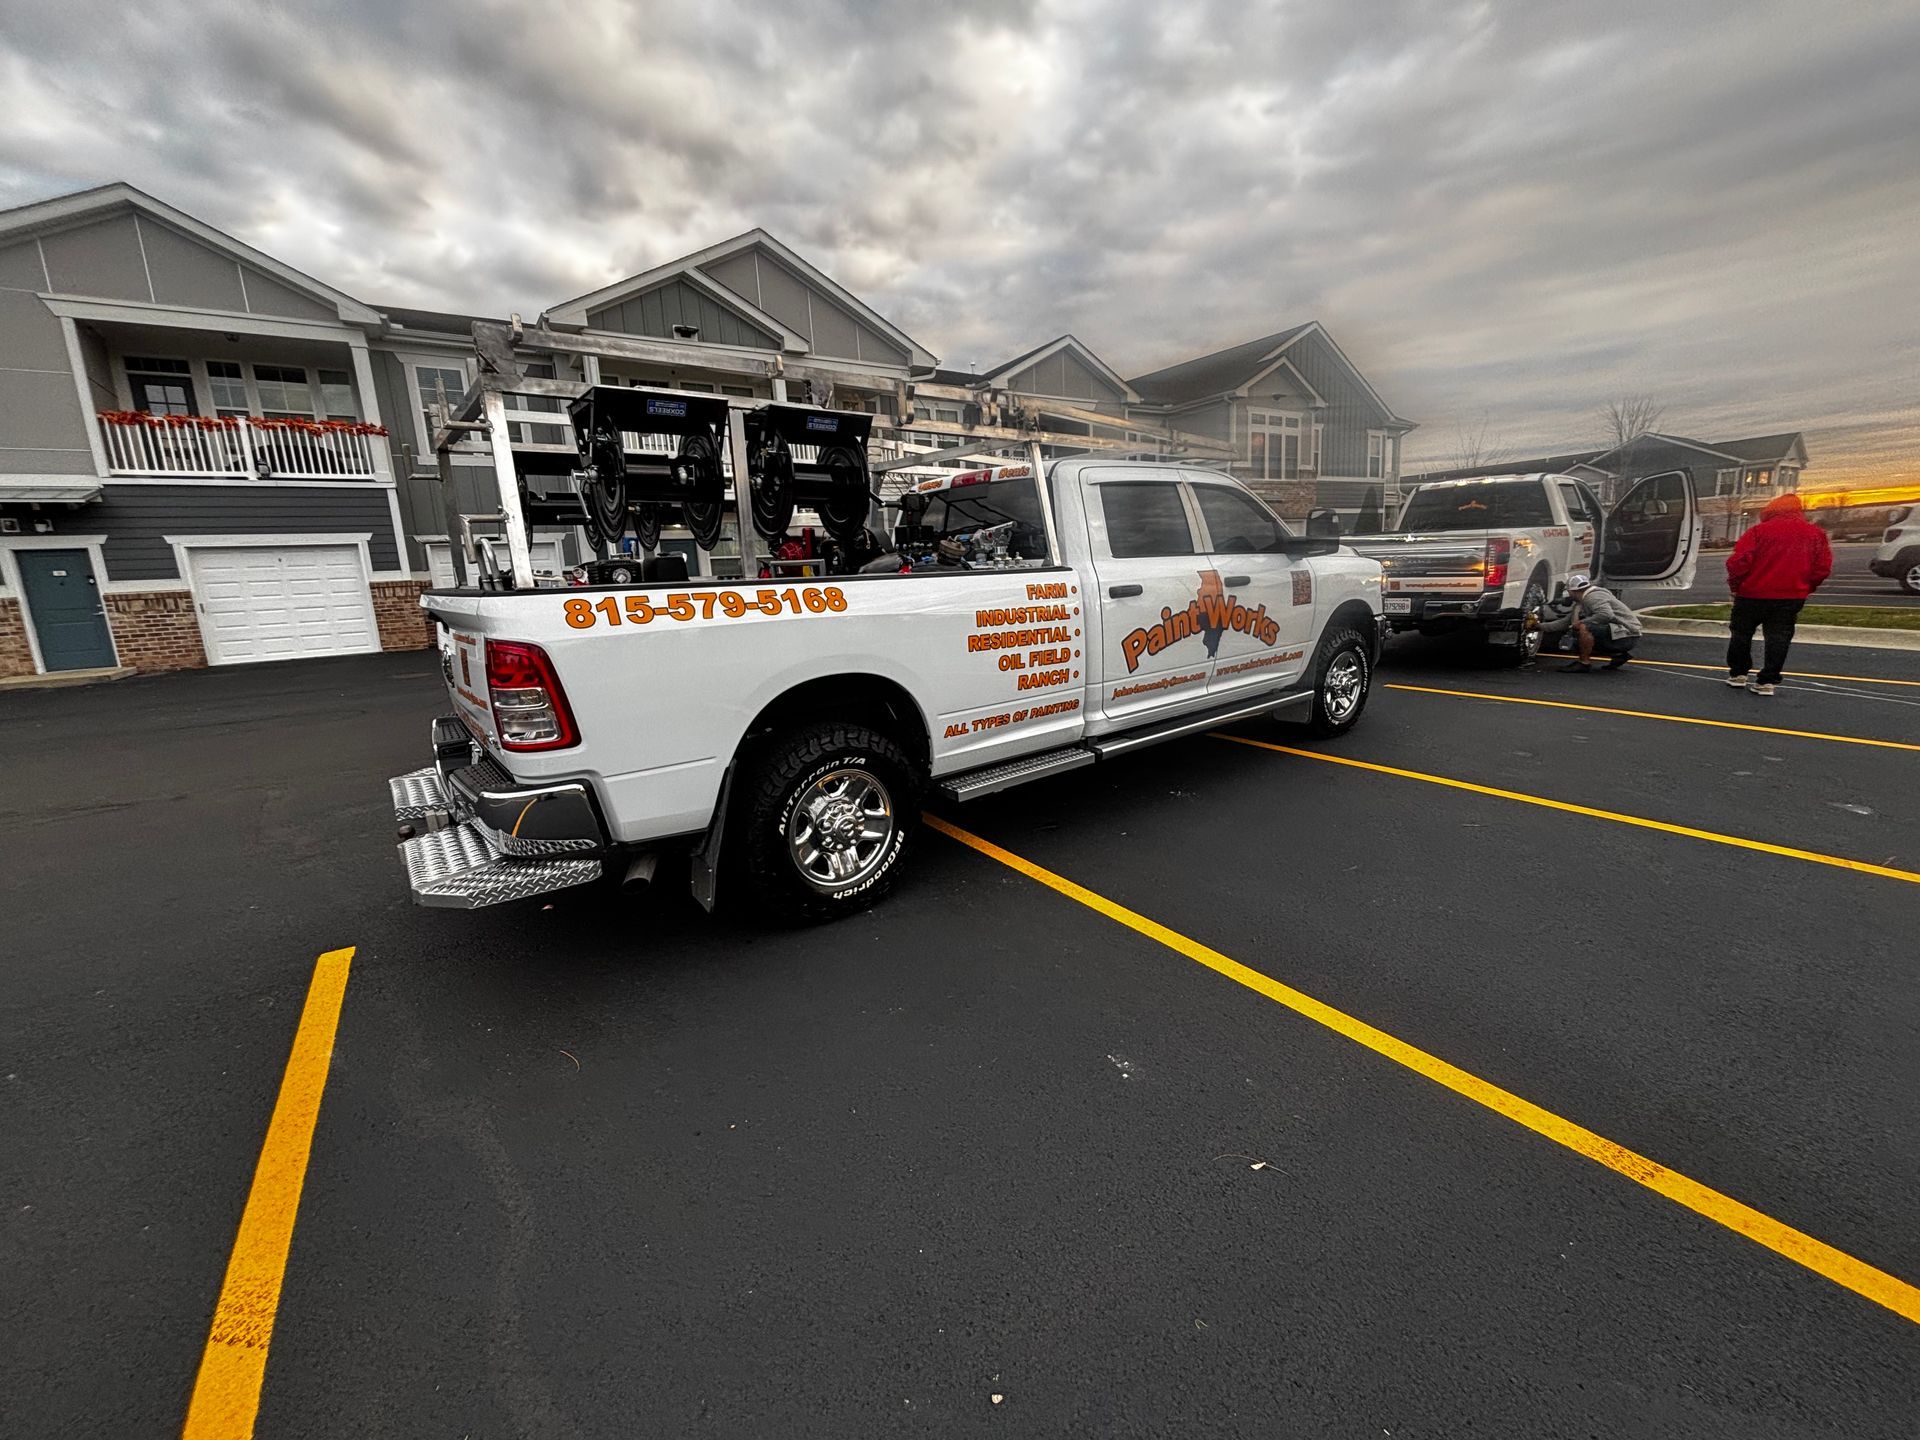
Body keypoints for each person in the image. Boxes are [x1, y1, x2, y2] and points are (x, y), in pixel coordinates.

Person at [1724, 492, 1832, 695]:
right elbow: (1822, 568)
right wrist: (1805, 587)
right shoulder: (1815, 534)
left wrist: (1736, 586)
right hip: (1791, 596)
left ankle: (1738, 674)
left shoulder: (1758, 532)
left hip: (1752, 594)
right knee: (1779, 638)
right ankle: (1767, 681)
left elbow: (1738, 563)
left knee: (1741, 634)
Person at [1539, 573, 1643, 671]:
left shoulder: (1593, 597)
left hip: (1626, 635)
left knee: (1583, 629)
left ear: (1572, 591)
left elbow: (1606, 614)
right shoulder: (1581, 603)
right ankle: (1618, 655)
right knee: (1579, 631)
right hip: (1622, 634)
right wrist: (1538, 626)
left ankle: (1584, 663)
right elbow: (1564, 623)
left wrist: (1580, 623)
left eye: (1568, 592)